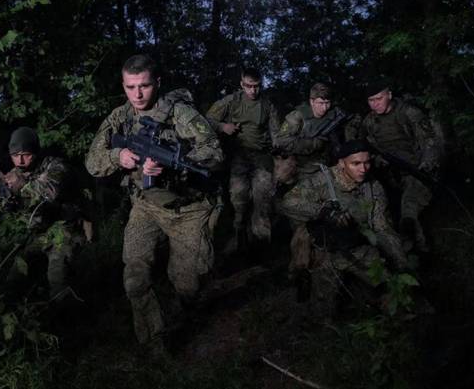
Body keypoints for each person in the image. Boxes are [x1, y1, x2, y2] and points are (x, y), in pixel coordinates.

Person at [85, 54, 223, 352]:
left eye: (144, 86)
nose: (137, 94)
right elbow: (92, 162)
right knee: (134, 279)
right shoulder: (119, 117)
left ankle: (186, 314)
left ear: (157, 83)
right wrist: (118, 157)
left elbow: (214, 152)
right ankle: (155, 344)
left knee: (188, 284)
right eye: (130, 87)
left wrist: (175, 167)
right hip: (146, 205)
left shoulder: (181, 114)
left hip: (188, 209)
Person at [277, 139, 408, 306]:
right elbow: (288, 202)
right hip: (324, 251)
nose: (363, 169)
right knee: (323, 305)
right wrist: (325, 212)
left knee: (395, 290)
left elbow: (381, 227)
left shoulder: (373, 187)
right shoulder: (322, 181)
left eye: (367, 163)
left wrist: (400, 262)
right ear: (341, 163)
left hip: (358, 249)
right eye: (356, 163)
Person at [0, 127, 89, 301]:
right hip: (37, 234)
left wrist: (21, 186)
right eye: (15, 155)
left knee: (58, 278)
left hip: (64, 229)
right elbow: (2, 211)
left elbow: (50, 192)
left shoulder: (56, 166)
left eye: (25, 154)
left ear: (35, 152)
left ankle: (67, 312)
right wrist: (6, 198)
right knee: (13, 280)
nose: (20, 160)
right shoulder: (14, 174)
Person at [206, 67, 280, 256]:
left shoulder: (268, 104)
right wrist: (223, 126)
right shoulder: (232, 101)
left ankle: (261, 248)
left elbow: (276, 132)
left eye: (257, 86)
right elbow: (207, 119)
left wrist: (278, 148)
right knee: (238, 199)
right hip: (238, 157)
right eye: (249, 86)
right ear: (242, 84)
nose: (253, 90)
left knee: (262, 200)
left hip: (261, 157)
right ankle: (238, 239)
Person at [360, 82, 442, 252]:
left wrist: (426, 167)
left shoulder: (409, 113)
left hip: (417, 171)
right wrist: (377, 160)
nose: (375, 104)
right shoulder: (369, 122)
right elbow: (366, 149)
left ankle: (419, 249)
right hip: (390, 175)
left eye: (379, 98)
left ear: (389, 95)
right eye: (371, 100)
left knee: (409, 208)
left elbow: (430, 142)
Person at [273, 82, 361, 188]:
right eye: (320, 103)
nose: (324, 108)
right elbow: (282, 141)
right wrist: (314, 143)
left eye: (327, 103)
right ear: (312, 101)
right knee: (281, 177)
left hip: (321, 160)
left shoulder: (335, 114)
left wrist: (348, 137)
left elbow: (353, 118)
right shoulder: (297, 116)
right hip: (293, 159)